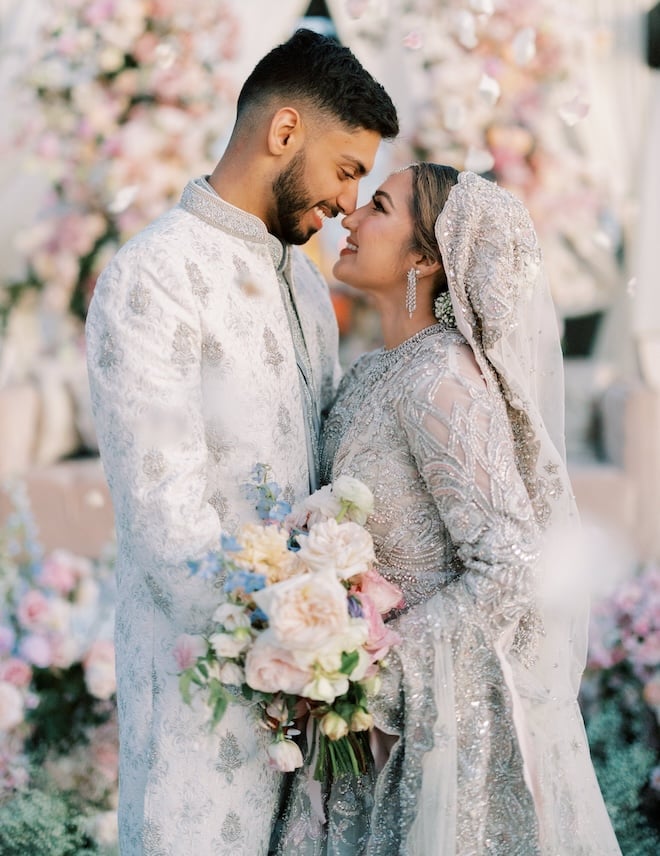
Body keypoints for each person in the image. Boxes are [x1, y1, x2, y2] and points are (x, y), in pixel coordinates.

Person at [85, 28, 398, 856]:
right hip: (206, 691)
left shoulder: (299, 275)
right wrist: (296, 639)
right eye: (347, 169)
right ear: (284, 132)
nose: (346, 203)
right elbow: (163, 520)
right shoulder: (152, 277)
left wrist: (333, 641)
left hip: (310, 696)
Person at [275, 165, 621, 854]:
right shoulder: (374, 370)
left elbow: (510, 563)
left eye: (378, 207)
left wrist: (377, 667)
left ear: (426, 258)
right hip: (374, 721)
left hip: (442, 716)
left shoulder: (442, 378)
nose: (350, 217)